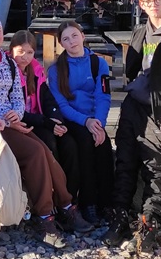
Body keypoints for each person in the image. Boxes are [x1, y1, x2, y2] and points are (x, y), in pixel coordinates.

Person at [0, 14, 90, 248]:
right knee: (35, 153)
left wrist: (16, 115)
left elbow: (17, 96)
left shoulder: (7, 62)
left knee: (45, 151)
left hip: (11, 121)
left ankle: (66, 206)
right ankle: (45, 216)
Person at [106, 0, 161, 247]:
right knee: (125, 159)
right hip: (135, 102)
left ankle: (150, 219)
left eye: (157, 0)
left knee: (155, 164)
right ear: (141, 4)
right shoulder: (140, 32)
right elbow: (131, 70)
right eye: (147, 2)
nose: (152, 5)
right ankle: (119, 215)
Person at [47, 20, 114, 226]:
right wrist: (86, 122)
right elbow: (62, 105)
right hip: (73, 119)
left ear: (83, 36)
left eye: (75, 36)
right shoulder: (56, 70)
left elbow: (103, 96)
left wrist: (98, 123)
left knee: (103, 145)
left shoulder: (99, 63)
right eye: (66, 39)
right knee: (85, 143)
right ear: (61, 44)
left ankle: (106, 203)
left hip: (95, 118)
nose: (72, 41)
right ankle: (88, 203)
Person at [9, 30, 70, 164]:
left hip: (39, 119)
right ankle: (51, 176)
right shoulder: (8, 72)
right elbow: (15, 110)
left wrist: (56, 119)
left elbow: (47, 99)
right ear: (11, 50)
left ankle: (67, 178)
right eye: (20, 51)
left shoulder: (36, 72)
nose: (25, 57)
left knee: (68, 142)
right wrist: (46, 122)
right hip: (21, 122)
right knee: (48, 141)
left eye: (29, 52)